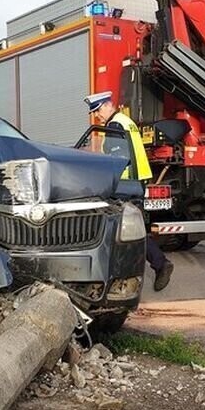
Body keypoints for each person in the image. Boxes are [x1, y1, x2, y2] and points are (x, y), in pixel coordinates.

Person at [84, 91, 174, 291]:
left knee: (126, 229)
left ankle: (153, 266)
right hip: (136, 180)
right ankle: (152, 265)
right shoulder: (126, 121)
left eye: (98, 110)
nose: (97, 115)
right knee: (133, 228)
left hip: (126, 185)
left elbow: (117, 159)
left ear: (108, 105)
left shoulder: (115, 125)